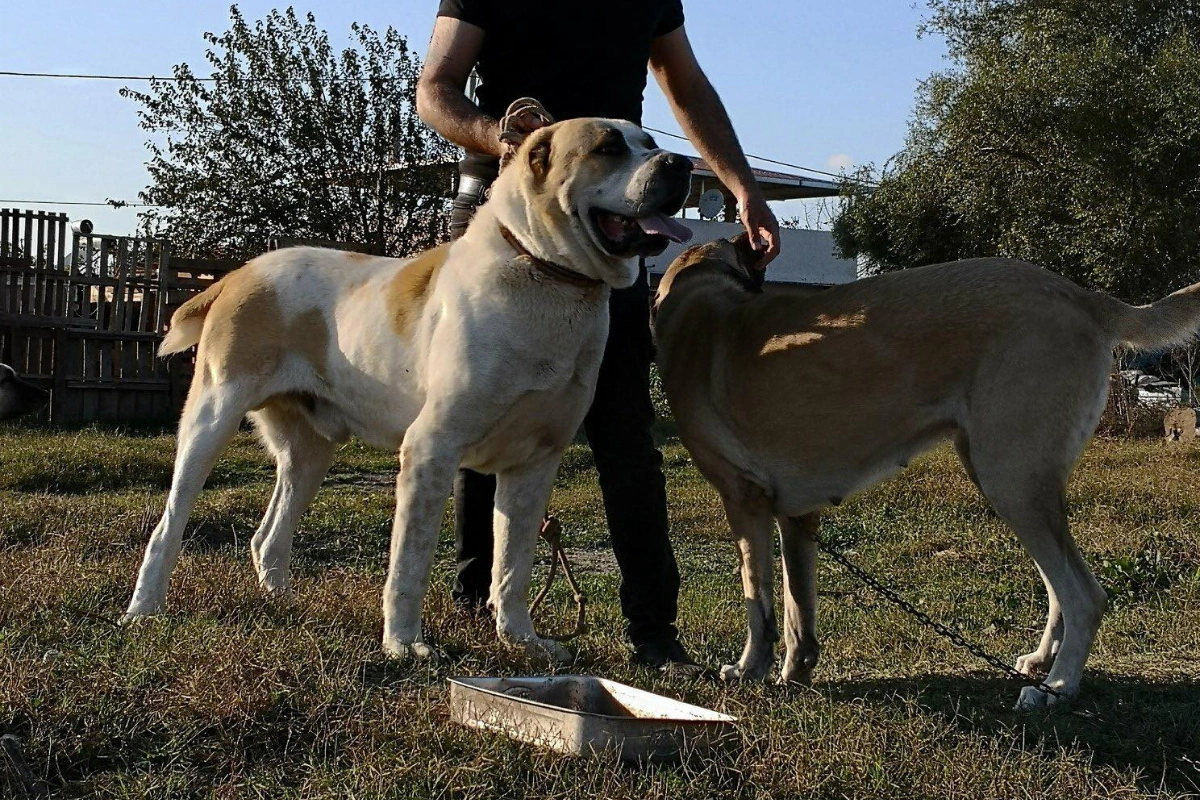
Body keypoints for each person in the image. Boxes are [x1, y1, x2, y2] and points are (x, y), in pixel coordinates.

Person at [416, 0, 780, 673]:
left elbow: (685, 82)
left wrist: (743, 186)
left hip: (610, 213)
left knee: (623, 428)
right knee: (470, 421)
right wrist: (501, 137)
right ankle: (474, 612)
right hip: (504, 207)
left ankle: (654, 633)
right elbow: (435, 90)